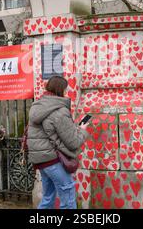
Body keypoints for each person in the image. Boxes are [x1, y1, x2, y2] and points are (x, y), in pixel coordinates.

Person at [26, 76, 89, 209]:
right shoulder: (59, 111)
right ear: (61, 90)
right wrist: (82, 130)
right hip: (53, 160)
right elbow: (73, 142)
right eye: (65, 89)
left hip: (40, 160)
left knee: (48, 196)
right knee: (68, 196)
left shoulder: (37, 106)